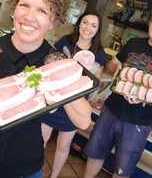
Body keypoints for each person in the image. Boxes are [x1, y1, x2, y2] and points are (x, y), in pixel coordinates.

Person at [0, 0, 92, 178]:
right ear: (14, 9)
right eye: (24, 5)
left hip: (25, 169)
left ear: (54, 21)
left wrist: (62, 79)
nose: (29, 17)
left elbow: (83, 121)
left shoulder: (55, 62)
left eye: (42, 10)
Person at [84, 8, 152, 178]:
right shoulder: (133, 43)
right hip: (111, 110)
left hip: (138, 122)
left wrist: (147, 96)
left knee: (122, 169)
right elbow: (111, 65)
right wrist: (117, 69)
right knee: (95, 154)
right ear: (149, 24)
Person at [41, 12, 105, 178]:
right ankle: (33, 172)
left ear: (98, 30)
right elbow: (49, 66)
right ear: (79, 24)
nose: (88, 28)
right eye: (85, 22)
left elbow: (94, 83)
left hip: (76, 103)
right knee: (40, 140)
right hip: (54, 98)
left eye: (93, 25)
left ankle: (53, 176)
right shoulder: (65, 42)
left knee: (63, 145)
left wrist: (89, 74)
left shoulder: (99, 53)